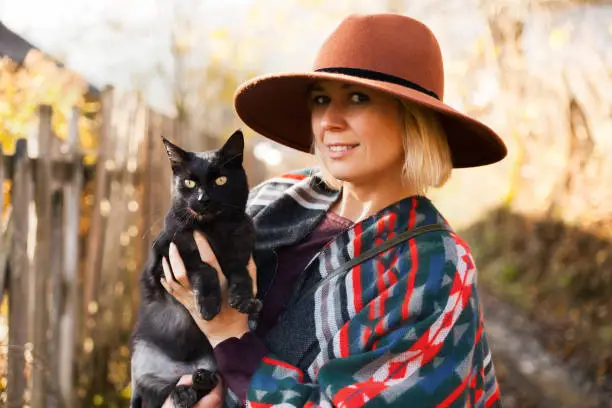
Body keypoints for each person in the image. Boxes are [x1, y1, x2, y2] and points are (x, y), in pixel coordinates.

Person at [159, 13, 506, 408]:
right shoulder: (274, 199)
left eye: (357, 98)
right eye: (321, 99)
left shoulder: (435, 267)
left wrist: (228, 334)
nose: (329, 121)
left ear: (415, 120)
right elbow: (172, 324)